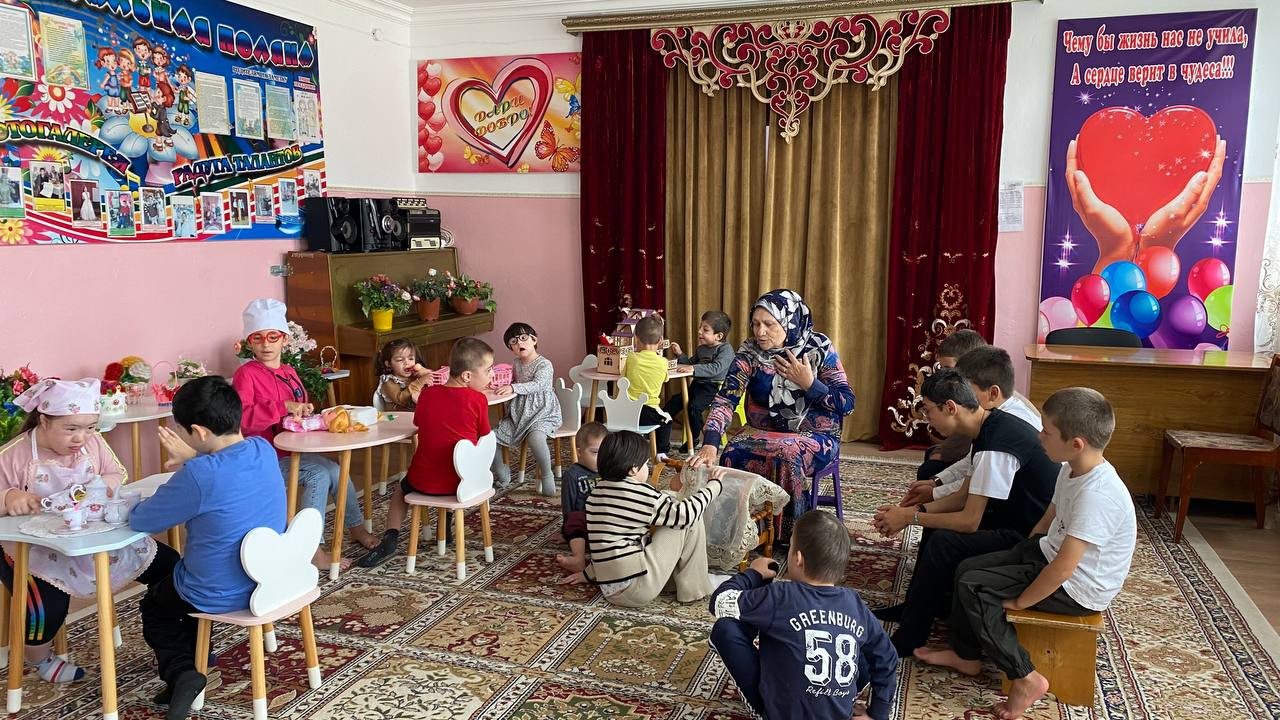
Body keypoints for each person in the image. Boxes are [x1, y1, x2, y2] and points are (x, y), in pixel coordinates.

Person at [915, 387, 1135, 720]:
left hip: (1078, 587)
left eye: (1046, 432)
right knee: (966, 567)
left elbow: (1064, 568)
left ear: (1076, 444)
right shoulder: (1070, 467)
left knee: (976, 587)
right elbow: (1050, 517)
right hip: (1049, 555)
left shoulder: (1098, 495)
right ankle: (967, 655)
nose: (1039, 436)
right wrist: (1025, 548)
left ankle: (1025, 676)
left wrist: (1022, 602)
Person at [0, 378, 177, 685]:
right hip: (32, 550)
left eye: (90, 427)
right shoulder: (14, 454)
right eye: (71, 429)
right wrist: (8, 497)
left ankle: (174, 644)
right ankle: (38, 658)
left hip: (90, 538)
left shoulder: (93, 444)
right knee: (47, 606)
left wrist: (99, 486)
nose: (80, 438)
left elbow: (116, 473)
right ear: (44, 420)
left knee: (170, 566)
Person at [871, 368, 1058, 657]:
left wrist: (909, 518)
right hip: (1009, 516)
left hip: (1029, 535)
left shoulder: (996, 444)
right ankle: (918, 609)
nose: (926, 418)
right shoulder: (989, 426)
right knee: (936, 526)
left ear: (950, 407)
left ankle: (910, 637)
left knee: (945, 542)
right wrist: (914, 510)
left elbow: (969, 521)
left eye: (928, 410)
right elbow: (962, 496)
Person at [132, 377, 287, 720]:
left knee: (158, 604)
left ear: (199, 432)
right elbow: (226, 470)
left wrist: (191, 465)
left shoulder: (199, 474)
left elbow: (143, 520)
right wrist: (194, 457)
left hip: (220, 592)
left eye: (183, 431)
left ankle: (182, 672)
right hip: (271, 579)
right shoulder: (263, 448)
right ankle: (203, 656)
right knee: (180, 582)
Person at [690, 289, 854, 537]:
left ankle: (792, 536)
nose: (760, 332)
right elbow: (725, 399)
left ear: (789, 322)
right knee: (732, 450)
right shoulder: (749, 353)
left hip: (816, 436)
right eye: (755, 324)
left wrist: (810, 384)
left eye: (769, 324)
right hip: (762, 431)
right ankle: (741, 531)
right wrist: (710, 443)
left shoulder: (819, 348)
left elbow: (847, 403)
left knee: (787, 453)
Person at [231, 298, 378, 570]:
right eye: (258, 338)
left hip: (294, 450)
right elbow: (242, 419)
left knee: (337, 470)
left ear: (284, 340)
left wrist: (311, 413)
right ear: (249, 343)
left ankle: (355, 527)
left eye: (272, 337)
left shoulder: (289, 372)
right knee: (318, 475)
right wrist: (282, 407)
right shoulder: (246, 374)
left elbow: (298, 411)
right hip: (265, 457)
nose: (266, 344)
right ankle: (311, 548)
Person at [710, 511, 898, 720]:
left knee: (725, 627)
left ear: (798, 558)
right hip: (838, 715)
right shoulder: (855, 604)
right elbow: (888, 656)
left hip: (781, 715)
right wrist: (878, 714)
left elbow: (719, 602)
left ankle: (765, 707)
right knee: (867, 644)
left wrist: (753, 574)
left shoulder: (781, 595)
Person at [359, 338, 494, 567]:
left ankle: (390, 538)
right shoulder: (478, 400)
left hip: (423, 482)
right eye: (488, 370)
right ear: (466, 376)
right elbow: (485, 437)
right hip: (463, 483)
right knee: (459, 463)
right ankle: (445, 529)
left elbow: (419, 423)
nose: (492, 375)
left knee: (400, 491)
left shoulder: (428, 395)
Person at [569, 431, 728, 607]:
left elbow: (604, 541)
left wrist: (588, 574)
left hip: (610, 588)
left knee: (671, 513)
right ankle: (696, 587)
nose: (647, 468)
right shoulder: (638, 493)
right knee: (689, 518)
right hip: (636, 588)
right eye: (645, 464)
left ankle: (686, 580)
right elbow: (686, 514)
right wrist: (714, 486)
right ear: (633, 469)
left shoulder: (596, 493)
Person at [901, 346, 1042, 508]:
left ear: (993, 393)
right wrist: (936, 482)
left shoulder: (1003, 429)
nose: (961, 395)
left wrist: (933, 495)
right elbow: (972, 463)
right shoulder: (990, 417)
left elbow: (976, 494)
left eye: (967, 390)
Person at [492, 323, 562, 495]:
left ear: (534, 340)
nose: (519, 343)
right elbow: (511, 380)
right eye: (513, 342)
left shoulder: (544, 364)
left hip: (542, 413)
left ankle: (547, 474)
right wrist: (498, 383)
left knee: (536, 438)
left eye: (523, 338)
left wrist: (513, 388)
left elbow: (538, 384)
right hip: (519, 414)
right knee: (490, 438)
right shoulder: (516, 363)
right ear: (511, 348)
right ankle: (502, 472)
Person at [916, 329, 989, 480]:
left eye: (948, 369)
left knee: (930, 469)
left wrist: (943, 454)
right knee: (932, 455)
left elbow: (966, 436)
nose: (944, 375)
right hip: (969, 454)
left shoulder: (980, 395)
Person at [665, 310, 734, 452]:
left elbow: (716, 368)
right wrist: (680, 354)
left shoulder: (725, 350)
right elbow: (689, 364)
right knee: (674, 403)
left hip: (713, 388)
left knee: (694, 407)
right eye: (700, 327)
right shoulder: (701, 349)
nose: (699, 331)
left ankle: (695, 437)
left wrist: (693, 368)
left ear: (719, 336)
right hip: (696, 386)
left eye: (705, 330)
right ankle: (660, 437)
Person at [554, 422, 607, 579]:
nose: (601, 458)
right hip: (584, 525)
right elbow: (568, 506)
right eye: (595, 452)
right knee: (574, 518)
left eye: (604, 452)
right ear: (580, 452)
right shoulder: (572, 475)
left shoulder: (608, 470)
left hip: (605, 522)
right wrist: (566, 532)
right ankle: (578, 559)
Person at [623, 315, 673, 457]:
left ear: (635, 339)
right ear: (661, 341)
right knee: (667, 420)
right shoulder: (663, 362)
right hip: (648, 411)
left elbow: (623, 376)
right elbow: (666, 379)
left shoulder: (631, 358)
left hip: (627, 411)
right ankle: (661, 452)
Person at [375, 339, 433, 412]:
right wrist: (419, 382)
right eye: (400, 360)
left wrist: (424, 372)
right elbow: (401, 400)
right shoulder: (389, 381)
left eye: (411, 359)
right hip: (398, 416)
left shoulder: (414, 375)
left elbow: (432, 380)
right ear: (389, 364)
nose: (407, 362)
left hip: (416, 413)